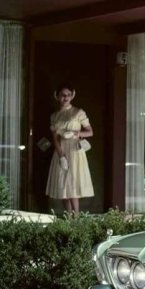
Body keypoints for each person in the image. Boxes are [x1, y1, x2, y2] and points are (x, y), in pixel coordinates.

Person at [46, 84, 94, 213]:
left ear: (72, 96)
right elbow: (55, 138)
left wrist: (76, 134)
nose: (65, 97)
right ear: (57, 96)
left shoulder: (78, 112)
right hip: (61, 150)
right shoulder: (55, 116)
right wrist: (61, 155)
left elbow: (90, 132)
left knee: (72, 182)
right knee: (63, 184)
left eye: (68, 95)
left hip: (74, 150)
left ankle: (76, 217)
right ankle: (68, 216)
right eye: (62, 95)